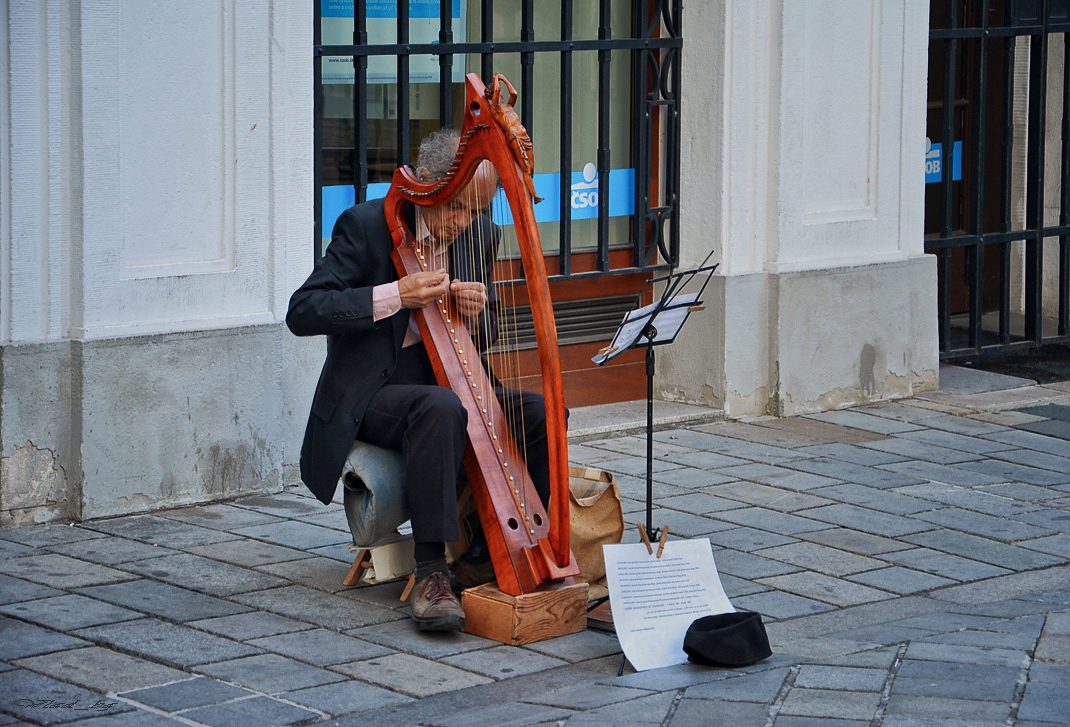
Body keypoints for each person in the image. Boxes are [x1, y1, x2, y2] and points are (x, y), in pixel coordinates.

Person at [286, 130, 552, 632]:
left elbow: (487, 335)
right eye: (456, 208)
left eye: (474, 213)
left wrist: (476, 314)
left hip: (453, 376)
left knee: (540, 413)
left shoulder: (478, 236)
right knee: (440, 407)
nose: (462, 223)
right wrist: (394, 294)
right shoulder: (365, 226)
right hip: (376, 389)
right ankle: (432, 573)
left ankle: (490, 554)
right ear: (427, 187)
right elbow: (302, 311)